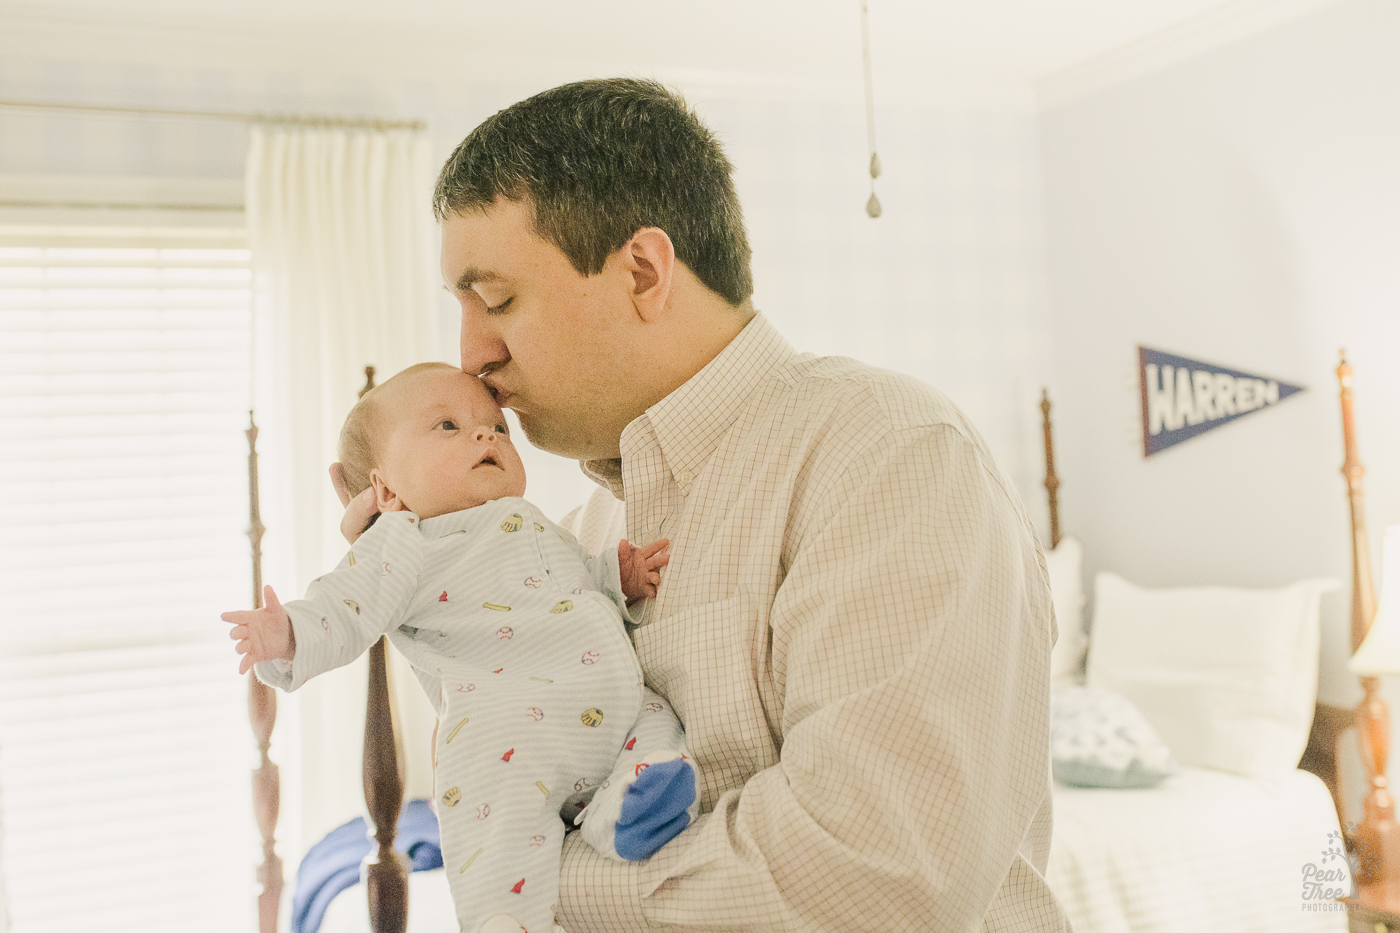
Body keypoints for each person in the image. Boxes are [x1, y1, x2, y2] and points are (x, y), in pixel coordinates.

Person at [336, 78, 1067, 931]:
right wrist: (423, 588)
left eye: (496, 301)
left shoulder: (891, 457)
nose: (472, 354)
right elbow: (521, 760)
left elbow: (871, 877)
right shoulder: (587, 535)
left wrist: (533, 882)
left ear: (643, 271)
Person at [226, 362, 700, 933]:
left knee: (659, 720)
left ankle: (628, 806)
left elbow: (568, 584)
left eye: (497, 426)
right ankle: (503, 919)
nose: (486, 435)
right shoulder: (404, 542)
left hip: (613, 703)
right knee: (497, 826)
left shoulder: (531, 521)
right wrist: (288, 633)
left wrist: (613, 577)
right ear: (386, 489)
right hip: (506, 729)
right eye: (448, 426)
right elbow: (345, 605)